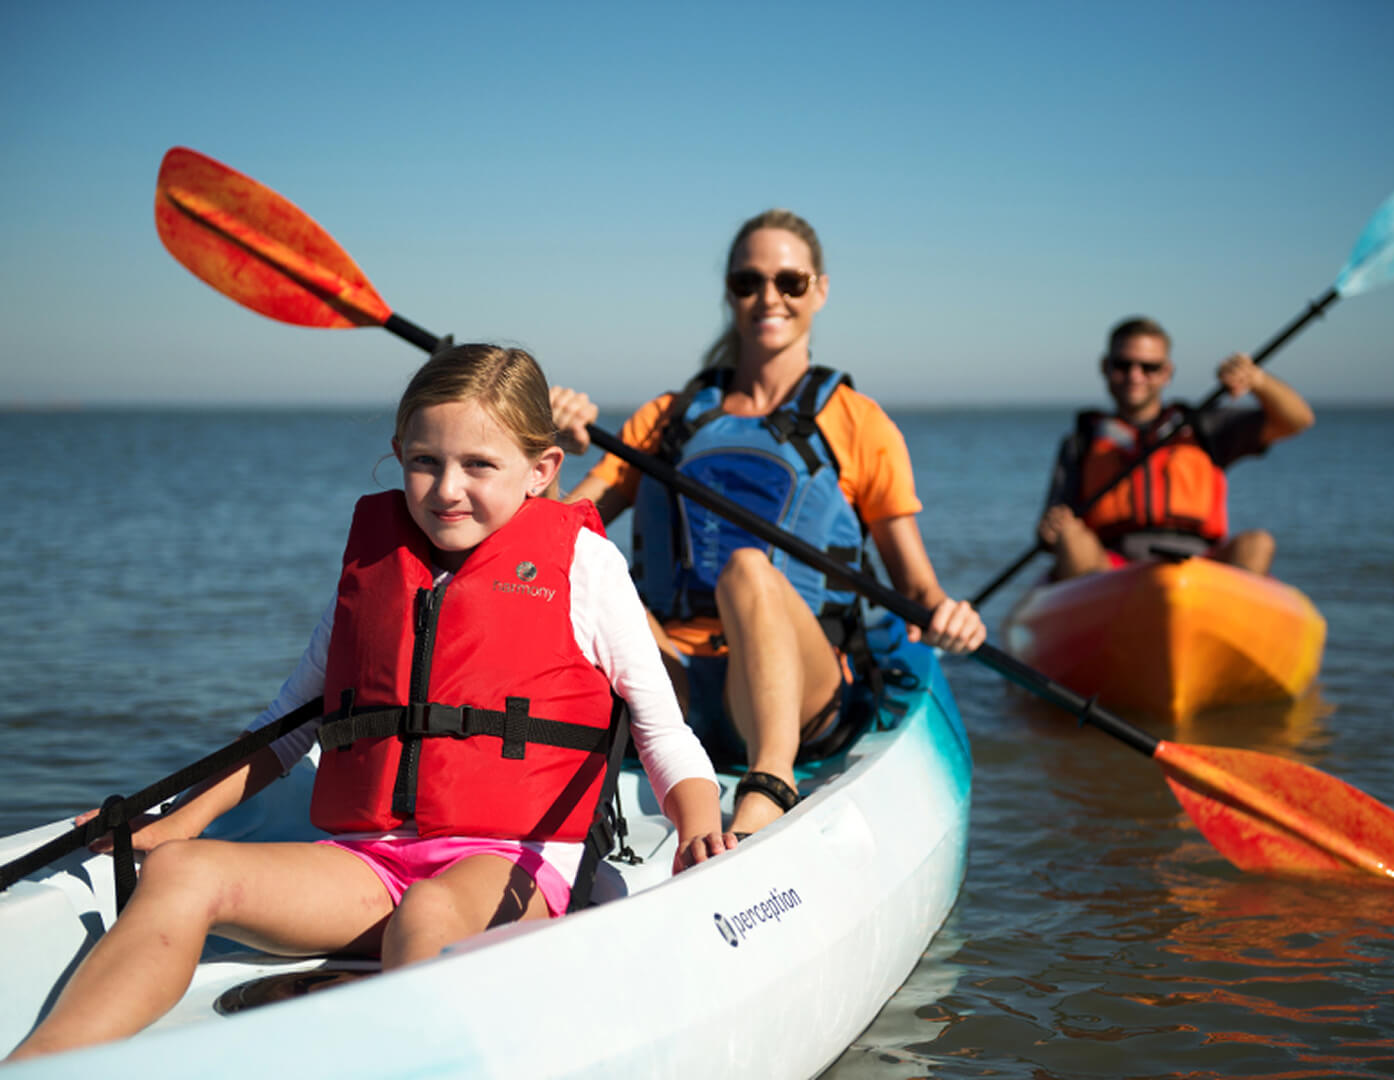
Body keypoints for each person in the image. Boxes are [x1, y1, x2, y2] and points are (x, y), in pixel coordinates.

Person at [7, 344, 730, 1063]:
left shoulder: (585, 567)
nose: (447, 489)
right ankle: (43, 1063)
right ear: (399, 454)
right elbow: (284, 729)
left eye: (479, 465)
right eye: (425, 461)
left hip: (508, 865)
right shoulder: (377, 566)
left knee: (430, 912)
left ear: (541, 471)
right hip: (371, 864)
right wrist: (178, 825)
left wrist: (698, 830)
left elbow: (662, 730)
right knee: (182, 873)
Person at [550, 209, 986, 839]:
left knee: (748, 569)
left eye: (790, 282)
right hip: (671, 687)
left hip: (796, 696)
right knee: (599, 566)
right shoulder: (667, 419)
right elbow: (557, 536)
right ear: (729, 291)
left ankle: (770, 783)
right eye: (748, 282)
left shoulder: (859, 424)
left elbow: (919, 593)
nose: (768, 298)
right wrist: (549, 451)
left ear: (821, 290)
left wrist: (953, 617)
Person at [1036, 316, 1315, 580]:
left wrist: (1258, 382)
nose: (1135, 376)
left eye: (1149, 367)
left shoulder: (1204, 428)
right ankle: (1097, 618)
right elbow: (1048, 534)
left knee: (1258, 543)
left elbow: (1297, 421)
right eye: (1123, 365)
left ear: (1167, 372)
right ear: (1105, 367)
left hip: (1199, 565)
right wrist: (1052, 530)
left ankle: (1228, 622)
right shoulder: (1082, 442)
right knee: (1070, 536)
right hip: (1110, 569)